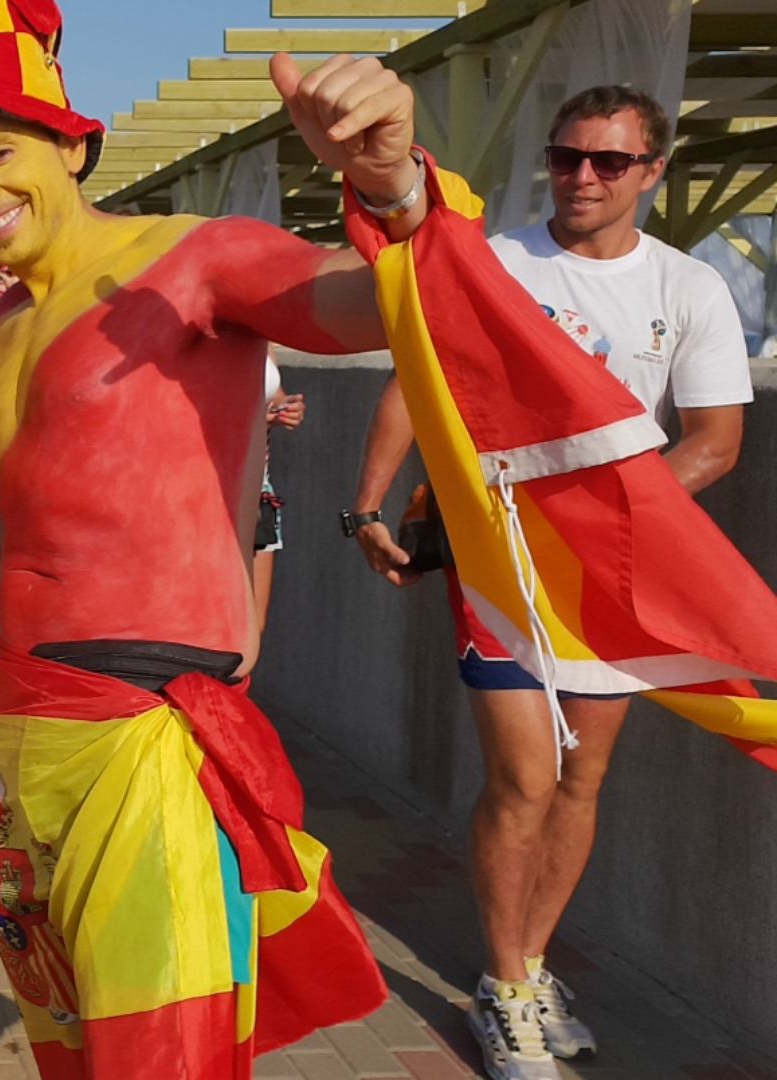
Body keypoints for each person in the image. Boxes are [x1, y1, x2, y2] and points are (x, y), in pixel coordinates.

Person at [0, 0, 485, 1071]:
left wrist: (393, 188)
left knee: (162, 1057)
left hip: (143, 733)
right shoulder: (2, 337)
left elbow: (387, 308)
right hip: (19, 737)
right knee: (71, 1049)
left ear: (73, 145)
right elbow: (1, 522)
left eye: (0, 153)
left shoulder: (194, 258)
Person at [347, 85, 750, 1080]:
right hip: (499, 559)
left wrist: (612, 526)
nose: (582, 177)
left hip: (612, 577)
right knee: (525, 777)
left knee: (580, 780)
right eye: (568, 157)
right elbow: (419, 375)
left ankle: (526, 970)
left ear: (652, 171)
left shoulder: (690, 287)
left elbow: (715, 442)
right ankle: (501, 982)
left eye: (610, 162)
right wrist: (367, 504)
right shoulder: (495, 262)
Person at [255, 356, 307, 631]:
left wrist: (284, 407)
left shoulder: (261, 335)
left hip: (256, 495)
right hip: (194, 496)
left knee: (249, 631)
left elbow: (272, 392)